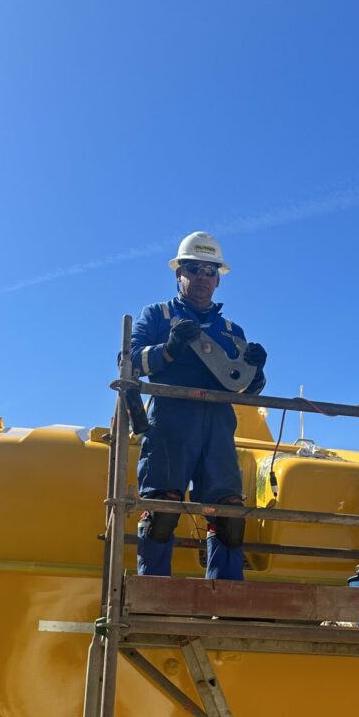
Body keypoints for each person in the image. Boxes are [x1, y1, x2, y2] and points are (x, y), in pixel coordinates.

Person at [130, 231, 267, 580]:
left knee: (229, 517)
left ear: (218, 279)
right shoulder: (157, 316)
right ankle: (154, 596)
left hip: (219, 426)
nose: (202, 278)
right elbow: (129, 361)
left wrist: (256, 369)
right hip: (170, 422)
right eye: (194, 269)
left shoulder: (232, 330)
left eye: (209, 271)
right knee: (163, 511)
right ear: (179, 274)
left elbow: (245, 389)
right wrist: (169, 349)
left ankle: (225, 603)